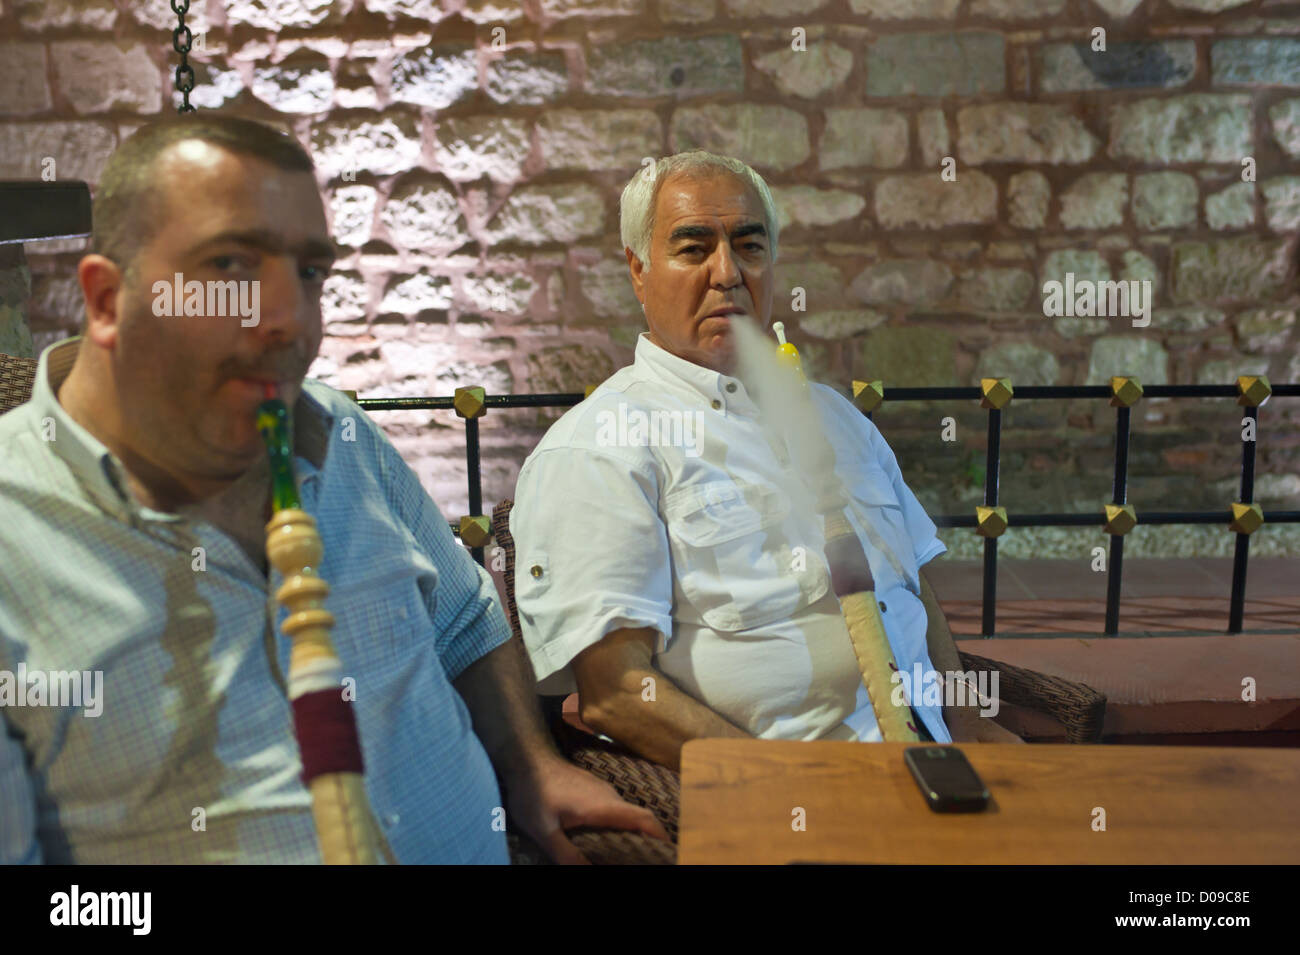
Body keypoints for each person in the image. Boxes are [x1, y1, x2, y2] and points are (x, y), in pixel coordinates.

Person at [0, 114, 666, 864]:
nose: (291, 321)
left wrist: (531, 767)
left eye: (310, 273)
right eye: (230, 267)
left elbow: (467, 623)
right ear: (106, 301)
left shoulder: (340, 435)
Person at [511, 150, 1023, 772]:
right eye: (694, 249)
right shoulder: (603, 448)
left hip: (935, 767)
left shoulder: (836, 418)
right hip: (792, 790)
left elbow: (908, 586)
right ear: (638, 271)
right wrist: (780, 789)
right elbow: (617, 693)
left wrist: (969, 727)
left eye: (748, 247)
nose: (727, 273)